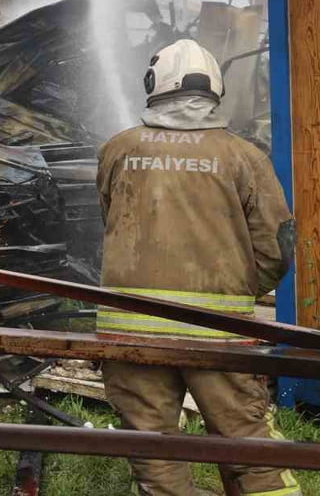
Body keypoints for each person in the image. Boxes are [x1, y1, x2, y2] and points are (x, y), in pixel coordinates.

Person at [97, 39, 299, 496]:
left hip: (129, 329)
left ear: (153, 84)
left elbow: (110, 222)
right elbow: (276, 247)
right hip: (218, 332)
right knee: (247, 446)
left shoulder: (116, 149)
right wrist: (238, 291)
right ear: (215, 88)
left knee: (153, 449)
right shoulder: (244, 156)